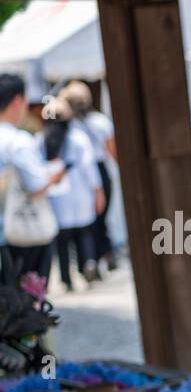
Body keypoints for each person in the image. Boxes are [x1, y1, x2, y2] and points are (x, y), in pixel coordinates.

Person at [0, 74, 64, 278]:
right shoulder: (19, 142)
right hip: (19, 234)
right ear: (18, 101)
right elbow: (36, 186)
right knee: (26, 300)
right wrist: (55, 177)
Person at [41, 97, 103, 290]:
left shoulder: (40, 140)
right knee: (84, 233)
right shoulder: (78, 138)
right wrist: (98, 191)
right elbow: (89, 168)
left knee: (62, 240)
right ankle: (87, 265)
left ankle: (66, 277)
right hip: (81, 194)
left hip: (57, 198)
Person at [59, 81, 117, 273]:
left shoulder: (69, 126)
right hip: (99, 169)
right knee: (100, 216)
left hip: (78, 175)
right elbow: (112, 150)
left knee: (88, 220)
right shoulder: (101, 121)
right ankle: (103, 255)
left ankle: (93, 259)